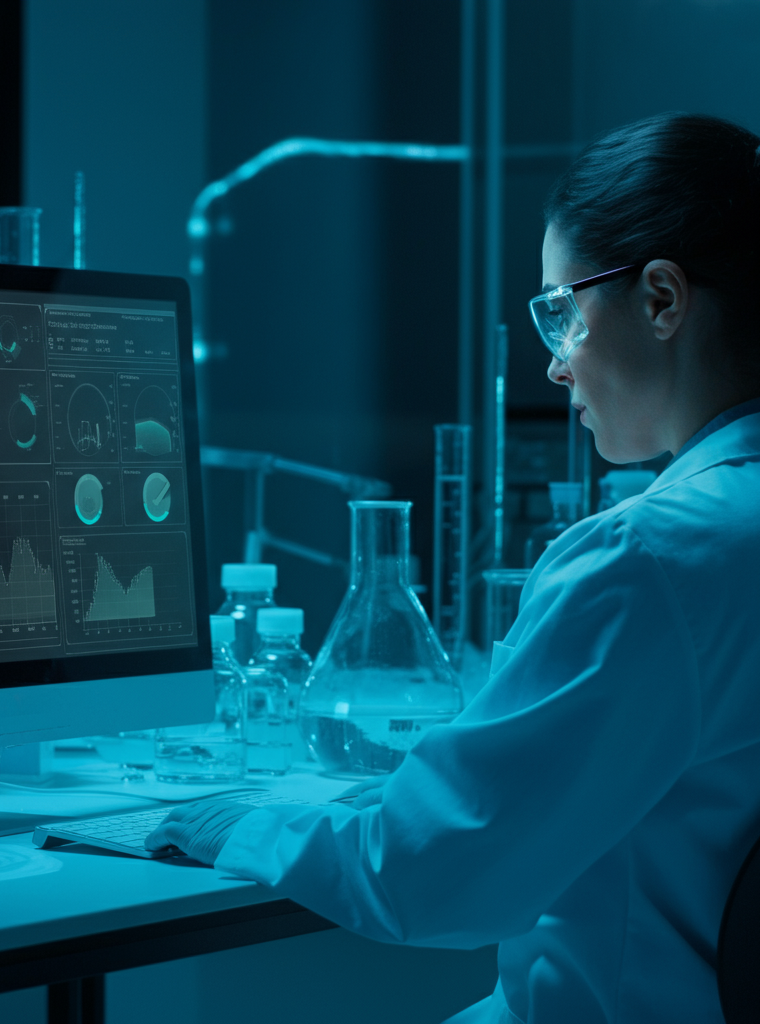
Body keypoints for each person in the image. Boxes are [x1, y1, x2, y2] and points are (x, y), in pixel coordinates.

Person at [147, 112, 760, 1023]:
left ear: (663, 301)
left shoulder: (648, 559)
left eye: (561, 314)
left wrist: (246, 825)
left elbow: (429, 876)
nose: (555, 367)